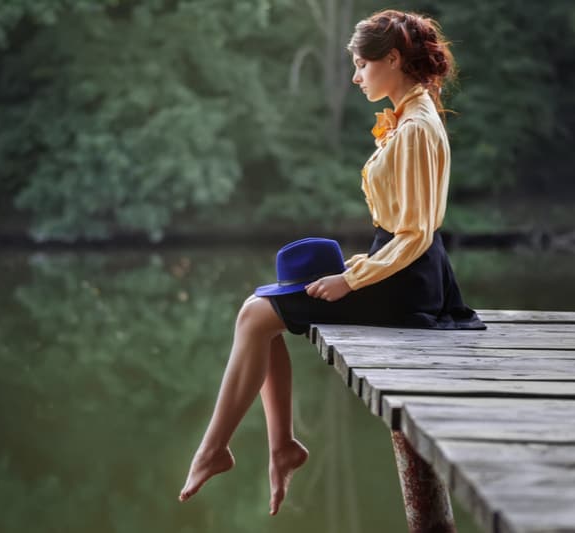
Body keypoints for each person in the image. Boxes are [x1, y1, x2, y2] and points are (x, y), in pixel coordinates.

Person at [178, 9, 485, 516]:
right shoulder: (413, 116)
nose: (356, 76)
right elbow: (405, 230)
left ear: (391, 59)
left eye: (362, 65)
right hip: (401, 268)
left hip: (408, 283)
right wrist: (358, 264)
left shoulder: (415, 128)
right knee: (261, 307)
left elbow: (415, 233)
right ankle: (281, 448)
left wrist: (351, 277)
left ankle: (216, 450)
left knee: (256, 315)